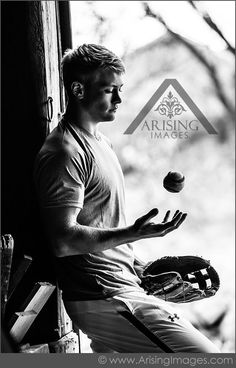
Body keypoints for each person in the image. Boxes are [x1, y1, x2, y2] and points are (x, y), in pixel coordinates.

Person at [34, 44, 220, 353]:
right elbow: (63, 241)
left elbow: (97, 223)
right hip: (102, 298)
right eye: (110, 90)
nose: (119, 99)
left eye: (121, 89)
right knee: (207, 357)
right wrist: (134, 232)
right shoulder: (64, 153)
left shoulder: (101, 143)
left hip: (122, 288)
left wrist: (140, 266)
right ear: (78, 89)